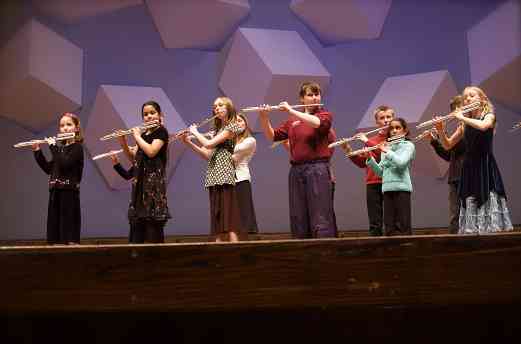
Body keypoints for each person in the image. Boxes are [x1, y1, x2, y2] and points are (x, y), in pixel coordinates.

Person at [258, 81, 336, 239]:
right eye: (310, 95)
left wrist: (291, 109)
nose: (315, 98)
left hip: (317, 169)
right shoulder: (291, 121)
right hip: (296, 170)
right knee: (298, 214)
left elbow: (317, 123)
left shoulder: (324, 115)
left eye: (317, 94)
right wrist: (264, 117)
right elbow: (272, 136)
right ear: (302, 98)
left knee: (320, 213)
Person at [435, 86, 513, 234]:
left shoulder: (488, 115)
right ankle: (473, 230)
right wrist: (440, 129)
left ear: (482, 99)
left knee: (486, 195)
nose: (468, 99)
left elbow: (484, 126)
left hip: (484, 163)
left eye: (472, 96)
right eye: (465, 98)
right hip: (469, 166)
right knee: (470, 198)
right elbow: (448, 145)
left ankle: (490, 229)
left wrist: (462, 117)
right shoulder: (464, 124)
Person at [182, 97, 243, 242]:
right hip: (214, 175)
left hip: (225, 175)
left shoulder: (232, 126)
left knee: (229, 220)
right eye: (215, 106)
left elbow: (209, 144)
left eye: (220, 105)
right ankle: (219, 253)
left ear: (228, 108)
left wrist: (195, 132)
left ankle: (236, 254)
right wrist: (188, 142)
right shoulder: (217, 130)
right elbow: (206, 154)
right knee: (217, 219)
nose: (217, 108)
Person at [115, 100, 171, 243]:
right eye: (145, 114)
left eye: (152, 113)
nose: (149, 116)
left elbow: (151, 151)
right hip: (139, 185)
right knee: (136, 233)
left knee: (152, 231)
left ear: (160, 115)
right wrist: (123, 142)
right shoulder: (144, 134)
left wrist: (137, 136)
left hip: (152, 188)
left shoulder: (161, 132)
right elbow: (134, 159)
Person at [341, 106, 394, 236]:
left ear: (393, 119)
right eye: (382, 118)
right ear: (377, 122)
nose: (386, 120)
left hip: (390, 182)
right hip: (372, 183)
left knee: (391, 221)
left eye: (389, 117)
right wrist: (348, 150)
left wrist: (366, 141)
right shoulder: (372, 140)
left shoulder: (395, 139)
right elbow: (363, 163)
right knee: (375, 222)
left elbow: (384, 153)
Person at [32, 112, 84, 244]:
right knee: (54, 232)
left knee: (67, 233)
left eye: (69, 124)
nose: (65, 128)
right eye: (62, 126)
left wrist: (52, 146)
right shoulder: (60, 149)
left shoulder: (77, 148)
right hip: (55, 192)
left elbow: (65, 164)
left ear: (77, 128)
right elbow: (49, 169)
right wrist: (37, 151)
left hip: (68, 194)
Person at [366, 118, 415, 236]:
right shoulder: (386, 147)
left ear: (404, 131)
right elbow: (381, 173)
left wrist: (387, 151)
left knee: (402, 227)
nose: (394, 131)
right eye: (392, 128)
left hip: (401, 189)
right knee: (389, 229)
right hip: (387, 190)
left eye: (398, 128)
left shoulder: (408, 145)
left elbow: (401, 163)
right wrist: (369, 158)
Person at [428, 95, 465, 234]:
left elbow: (451, 146)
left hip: (469, 174)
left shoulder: (470, 127)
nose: (457, 113)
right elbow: (449, 155)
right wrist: (434, 142)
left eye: (460, 109)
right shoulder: (459, 128)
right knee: (455, 215)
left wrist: (441, 131)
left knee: (469, 213)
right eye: (455, 110)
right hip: (455, 176)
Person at [232, 113, 259, 234]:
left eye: (240, 120)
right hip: (228, 180)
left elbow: (233, 155)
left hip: (241, 179)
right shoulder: (229, 140)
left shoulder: (250, 140)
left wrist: (217, 139)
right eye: (235, 121)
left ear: (245, 123)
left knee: (244, 215)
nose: (239, 123)